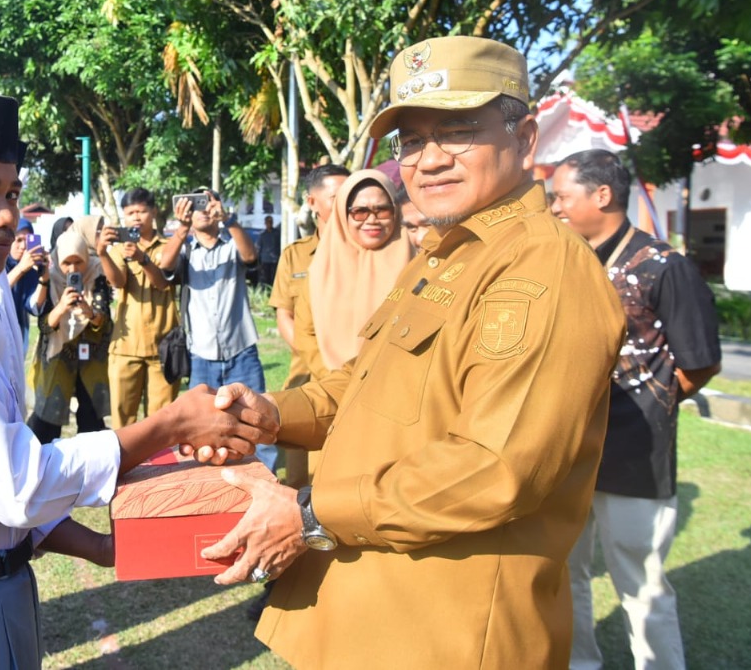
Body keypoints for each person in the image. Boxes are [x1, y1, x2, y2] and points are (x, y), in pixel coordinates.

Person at [201, 36, 628, 668]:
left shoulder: (543, 266)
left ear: (525, 138)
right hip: (371, 611)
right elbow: (365, 387)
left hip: (446, 634)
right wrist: (269, 414)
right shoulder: (442, 255)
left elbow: (495, 470)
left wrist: (310, 513)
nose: (427, 161)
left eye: (458, 132)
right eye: (410, 141)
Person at [0, 87, 268, 670]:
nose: (8, 214)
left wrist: (108, 548)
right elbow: (19, 483)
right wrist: (171, 424)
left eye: (11, 192)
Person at [550, 149, 722, 670]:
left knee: (639, 578)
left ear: (601, 196)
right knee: (564, 571)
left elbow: (699, 363)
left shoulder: (663, 266)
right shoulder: (563, 264)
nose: (554, 206)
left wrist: (652, 403)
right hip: (566, 450)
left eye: (562, 196)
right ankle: (581, 663)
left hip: (634, 450)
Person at [158, 187, 277, 472]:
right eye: (195, 204)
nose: (202, 209)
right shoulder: (185, 249)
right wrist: (181, 229)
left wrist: (231, 221)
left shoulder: (232, 243)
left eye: (208, 203)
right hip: (201, 354)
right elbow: (164, 265)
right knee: (203, 428)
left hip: (241, 349)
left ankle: (267, 480)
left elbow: (250, 258)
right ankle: (214, 484)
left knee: (259, 419)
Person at [268, 164, 348, 488]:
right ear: (312, 202)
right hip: (307, 380)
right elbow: (284, 314)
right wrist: (318, 358)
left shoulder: (373, 251)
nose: (347, 203)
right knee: (302, 480)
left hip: (358, 378)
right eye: (336, 196)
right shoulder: (296, 256)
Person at [306, 168, 413, 375]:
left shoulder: (419, 260)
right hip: (333, 389)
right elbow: (306, 337)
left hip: (400, 383)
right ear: (343, 214)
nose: (372, 220)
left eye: (382, 210)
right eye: (360, 212)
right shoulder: (320, 269)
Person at [98, 187, 178, 427]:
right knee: (123, 420)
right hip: (126, 347)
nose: (136, 217)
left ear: (153, 212)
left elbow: (164, 283)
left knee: (162, 422)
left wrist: (143, 259)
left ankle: (163, 466)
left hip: (163, 347)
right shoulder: (119, 249)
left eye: (142, 211)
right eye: (130, 212)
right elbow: (118, 282)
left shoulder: (168, 247)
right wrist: (102, 253)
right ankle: (127, 465)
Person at [27, 227, 112, 443]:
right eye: (67, 263)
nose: (73, 268)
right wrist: (62, 307)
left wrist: (87, 310)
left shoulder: (97, 273)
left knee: (91, 418)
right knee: (47, 415)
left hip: (91, 355)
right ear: (58, 261)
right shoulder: (50, 279)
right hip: (58, 354)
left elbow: (103, 320)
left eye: (78, 261)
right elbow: (45, 326)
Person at [5, 218, 46, 352]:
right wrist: (20, 269)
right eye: (18, 240)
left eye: (27, 241)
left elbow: (33, 306)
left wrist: (44, 279)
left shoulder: (29, 271)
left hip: (19, 337)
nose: (23, 246)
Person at [256, 215, 281, 287]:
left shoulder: (277, 234)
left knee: (274, 280)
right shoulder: (262, 235)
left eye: (271, 222)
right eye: (268, 222)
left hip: (275, 260)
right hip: (265, 261)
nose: (269, 223)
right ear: (265, 223)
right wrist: (258, 262)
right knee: (264, 280)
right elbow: (258, 248)